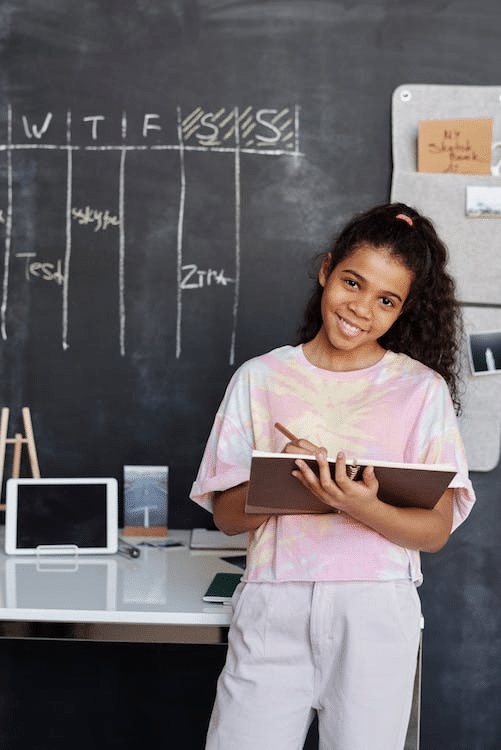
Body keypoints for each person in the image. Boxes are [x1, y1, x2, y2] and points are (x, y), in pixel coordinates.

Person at [190, 202, 475, 750]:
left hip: (375, 609)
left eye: (386, 300)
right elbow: (226, 516)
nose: (361, 308)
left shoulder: (421, 392)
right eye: (352, 282)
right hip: (275, 601)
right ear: (326, 270)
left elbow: (435, 531)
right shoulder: (260, 378)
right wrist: (293, 479)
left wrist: (358, 503)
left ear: (402, 311)